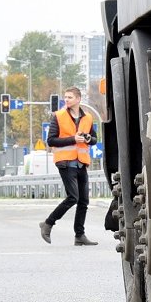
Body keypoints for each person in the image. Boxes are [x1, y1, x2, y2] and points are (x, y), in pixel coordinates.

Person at [39, 86, 100, 246]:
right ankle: (48, 223)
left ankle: (79, 235)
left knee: (84, 201)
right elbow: (51, 140)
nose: (66, 100)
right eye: (65, 97)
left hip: (81, 163)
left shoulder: (87, 117)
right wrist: (73, 139)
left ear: (78, 99)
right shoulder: (58, 116)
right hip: (65, 162)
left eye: (70, 97)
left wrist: (88, 139)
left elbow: (94, 139)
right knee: (73, 197)